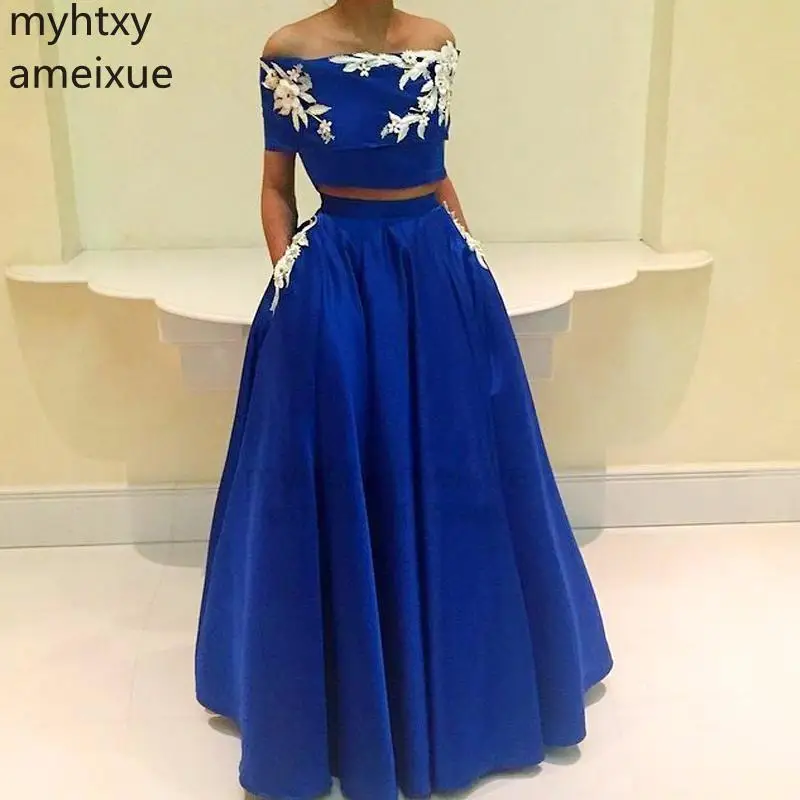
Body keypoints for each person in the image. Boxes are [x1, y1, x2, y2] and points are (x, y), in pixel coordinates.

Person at [195, 3, 613, 800]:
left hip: (436, 269)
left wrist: (467, 256)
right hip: (338, 276)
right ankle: (340, 703)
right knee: (341, 475)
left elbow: (435, 169)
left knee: (464, 475)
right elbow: (276, 189)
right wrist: (292, 281)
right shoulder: (289, 49)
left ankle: (473, 693)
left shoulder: (437, 41)